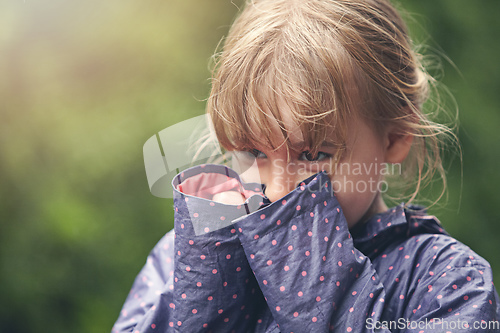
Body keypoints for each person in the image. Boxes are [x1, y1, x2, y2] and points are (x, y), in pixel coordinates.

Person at [112, 0, 500, 332]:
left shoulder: (445, 282)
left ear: (394, 139)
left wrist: (316, 285)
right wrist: (207, 281)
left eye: (313, 156)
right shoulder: (177, 259)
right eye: (254, 152)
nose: (277, 190)